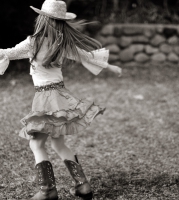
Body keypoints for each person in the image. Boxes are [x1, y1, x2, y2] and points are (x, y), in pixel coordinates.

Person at [0, 0, 122, 200]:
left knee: (36, 144)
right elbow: (87, 56)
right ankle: (82, 186)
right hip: (61, 97)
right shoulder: (62, 43)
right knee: (58, 143)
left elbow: (8, 53)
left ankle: (47, 190)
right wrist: (112, 67)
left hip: (46, 98)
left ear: (42, 19)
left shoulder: (33, 42)